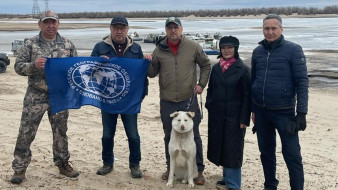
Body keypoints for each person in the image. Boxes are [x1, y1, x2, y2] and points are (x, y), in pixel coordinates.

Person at [10, 10, 79, 184]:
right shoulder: (31, 44)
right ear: (40, 24)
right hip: (36, 94)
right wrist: (34, 66)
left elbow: (76, 69)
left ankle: (63, 163)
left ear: (58, 23)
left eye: (53, 22)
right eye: (47, 22)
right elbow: (18, 67)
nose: (50, 25)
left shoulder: (68, 45)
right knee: (26, 131)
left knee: (60, 132)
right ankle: (19, 169)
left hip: (60, 96)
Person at [146, 17, 211, 185]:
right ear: (166, 30)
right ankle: (170, 168)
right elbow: (152, 73)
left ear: (181, 29)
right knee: (169, 135)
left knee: (194, 135)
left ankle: (199, 170)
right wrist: (148, 62)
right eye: (169, 28)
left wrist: (201, 84)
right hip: (167, 100)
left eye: (176, 27)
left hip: (188, 99)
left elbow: (205, 65)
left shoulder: (193, 46)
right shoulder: (159, 49)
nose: (172, 30)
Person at [251, 14, 308, 190]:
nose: (270, 32)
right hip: (262, 112)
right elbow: (254, 81)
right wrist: (253, 109)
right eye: (266, 28)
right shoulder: (257, 52)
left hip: (285, 113)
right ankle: (270, 186)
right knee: (266, 153)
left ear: (281, 29)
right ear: (262, 29)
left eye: (273, 28)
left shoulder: (293, 50)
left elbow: (302, 82)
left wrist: (302, 113)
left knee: (292, 155)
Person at [91, 15, 148, 178]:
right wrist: (97, 62)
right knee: (108, 134)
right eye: (115, 28)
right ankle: (107, 163)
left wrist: (141, 95)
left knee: (133, 134)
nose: (119, 31)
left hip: (129, 100)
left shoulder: (136, 49)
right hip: (108, 98)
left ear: (127, 30)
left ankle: (135, 164)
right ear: (110, 29)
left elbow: (142, 75)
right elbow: (89, 71)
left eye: (122, 28)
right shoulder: (100, 47)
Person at [206, 36, 251, 190]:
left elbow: (247, 96)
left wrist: (244, 118)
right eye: (224, 47)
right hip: (217, 114)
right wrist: (209, 105)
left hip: (235, 116)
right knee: (221, 145)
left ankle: (233, 184)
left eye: (230, 47)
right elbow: (211, 89)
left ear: (235, 49)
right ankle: (226, 178)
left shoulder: (243, 69)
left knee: (233, 149)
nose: (226, 50)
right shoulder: (216, 68)